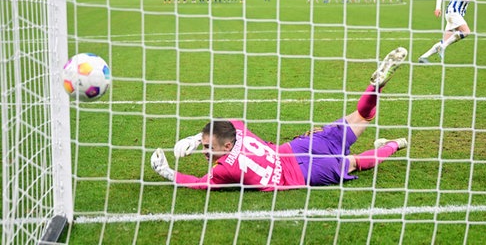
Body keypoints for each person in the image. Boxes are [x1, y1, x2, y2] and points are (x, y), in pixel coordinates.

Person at [151, 47, 409, 191]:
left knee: (355, 162)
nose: (205, 153)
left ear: (227, 146)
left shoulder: (224, 170)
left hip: (304, 172)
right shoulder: (238, 130)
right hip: (300, 147)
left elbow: (198, 184)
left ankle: (396, 144)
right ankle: (375, 87)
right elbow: (228, 123)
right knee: (362, 115)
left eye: (208, 147)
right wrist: (197, 138)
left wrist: (168, 172)